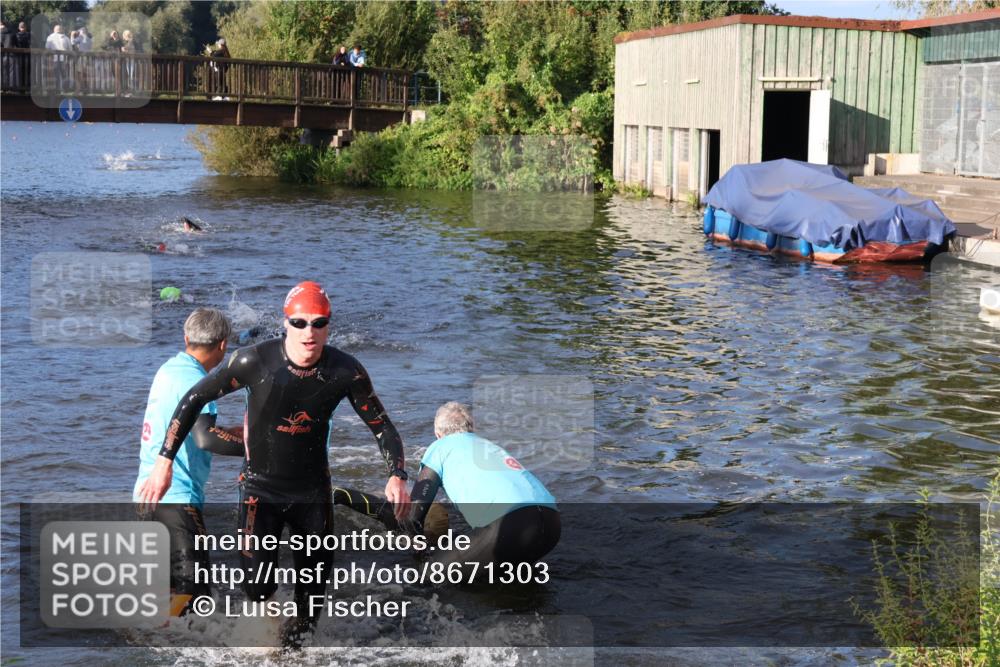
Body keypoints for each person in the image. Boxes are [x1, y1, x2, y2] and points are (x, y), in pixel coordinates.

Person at [138, 281, 411, 646]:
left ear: (329, 325)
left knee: (311, 601)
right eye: (300, 323)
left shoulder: (346, 372)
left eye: (318, 323)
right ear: (286, 323)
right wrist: (164, 462)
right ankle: (269, 635)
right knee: (257, 587)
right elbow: (192, 399)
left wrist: (396, 475)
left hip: (312, 493)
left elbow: (383, 428)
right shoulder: (254, 361)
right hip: (260, 491)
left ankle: (293, 649)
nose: (309, 332)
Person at [133, 308, 245, 617]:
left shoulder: (169, 370)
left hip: (146, 497)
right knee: (194, 600)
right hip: (177, 500)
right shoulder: (199, 383)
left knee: (168, 598)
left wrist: (229, 432)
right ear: (223, 345)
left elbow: (193, 428)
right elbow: (205, 439)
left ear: (186, 338)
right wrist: (259, 446)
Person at [406, 402, 560, 569]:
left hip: (510, 525)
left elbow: (415, 512)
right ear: (471, 429)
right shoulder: (489, 446)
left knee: (428, 575)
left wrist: (419, 551)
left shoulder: (439, 447)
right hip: (551, 523)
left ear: (437, 434)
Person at [45, 24, 71, 92]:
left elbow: (47, 48)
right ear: (61, 30)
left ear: (54, 30)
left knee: (56, 74)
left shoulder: (50, 37)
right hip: (64, 59)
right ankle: (66, 89)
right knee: (64, 74)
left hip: (54, 59)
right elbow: (70, 49)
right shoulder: (66, 38)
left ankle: (57, 89)